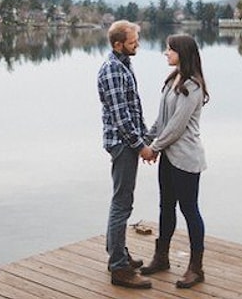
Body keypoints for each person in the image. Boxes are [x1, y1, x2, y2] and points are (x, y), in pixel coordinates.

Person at [140, 33, 209, 289]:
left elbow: (178, 126)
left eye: (170, 50)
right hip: (168, 157)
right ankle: (161, 257)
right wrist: (146, 142)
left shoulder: (193, 85)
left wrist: (154, 148)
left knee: (189, 210)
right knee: (165, 206)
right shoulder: (172, 80)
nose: (166, 53)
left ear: (182, 53)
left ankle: (196, 267)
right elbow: (162, 120)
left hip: (186, 159)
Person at [96, 20, 154, 289]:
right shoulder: (112, 70)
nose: (137, 45)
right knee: (122, 203)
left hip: (127, 142)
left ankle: (118, 254)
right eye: (133, 42)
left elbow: (134, 109)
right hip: (122, 144)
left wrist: (145, 138)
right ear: (118, 44)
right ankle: (118, 267)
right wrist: (140, 145)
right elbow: (121, 117)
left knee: (122, 201)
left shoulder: (123, 65)